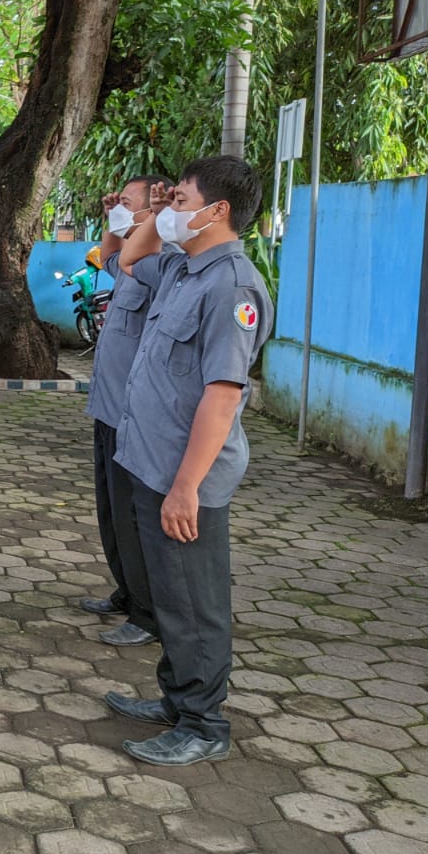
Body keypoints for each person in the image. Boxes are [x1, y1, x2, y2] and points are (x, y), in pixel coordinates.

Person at [107, 155, 272, 767]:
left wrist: (187, 487)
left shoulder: (233, 286)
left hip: (185, 475)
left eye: (181, 200)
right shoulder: (184, 267)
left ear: (218, 210)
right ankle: (178, 700)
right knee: (171, 596)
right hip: (153, 461)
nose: (169, 209)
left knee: (195, 602)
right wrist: (159, 214)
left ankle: (204, 723)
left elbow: (223, 396)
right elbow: (129, 258)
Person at [80, 174, 173, 648]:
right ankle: (126, 589)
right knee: (111, 512)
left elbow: (133, 258)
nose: (122, 208)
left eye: (129, 203)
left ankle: (147, 611)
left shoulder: (161, 266)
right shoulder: (133, 263)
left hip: (133, 416)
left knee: (134, 517)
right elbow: (110, 256)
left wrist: (149, 219)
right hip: (108, 408)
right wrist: (113, 218)